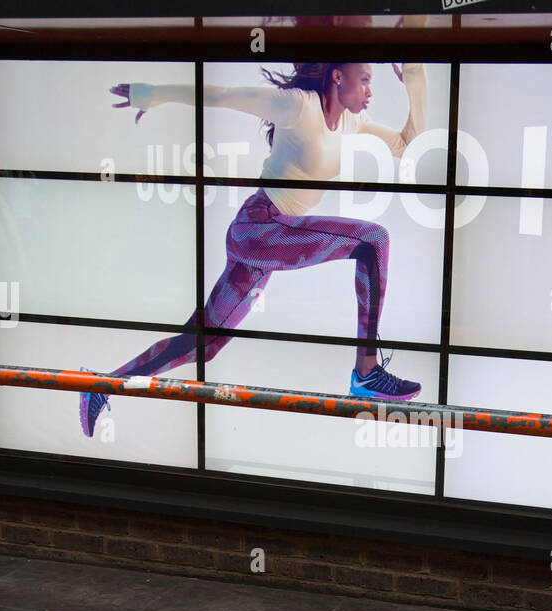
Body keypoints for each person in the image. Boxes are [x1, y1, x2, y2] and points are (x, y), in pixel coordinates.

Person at [79, 54, 427, 437]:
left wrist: (414, 74)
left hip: (267, 241)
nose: (370, 92)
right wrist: (153, 94)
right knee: (373, 241)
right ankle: (366, 373)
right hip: (259, 226)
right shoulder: (297, 105)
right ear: (337, 77)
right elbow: (223, 95)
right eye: (363, 80)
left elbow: (407, 143)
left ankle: (102, 384)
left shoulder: (351, 121)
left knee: (206, 343)